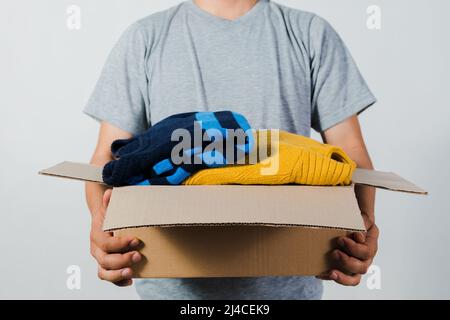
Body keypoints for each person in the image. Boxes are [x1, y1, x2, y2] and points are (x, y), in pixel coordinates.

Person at [84, 0, 379, 299]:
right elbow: (107, 158)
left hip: (288, 288)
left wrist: (363, 223)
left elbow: (348, 151)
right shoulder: (144, 38)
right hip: (173, 292)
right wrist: (101, 223)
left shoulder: (310, 34)